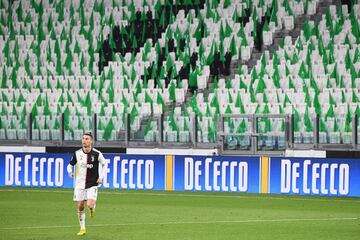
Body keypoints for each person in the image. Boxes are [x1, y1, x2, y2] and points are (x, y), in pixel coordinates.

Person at [67, 132, 107, 236]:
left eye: (87, 139)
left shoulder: (97, 154)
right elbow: (69, 165)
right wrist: (69, 172)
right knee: (80, 206)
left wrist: (101, 177)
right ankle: (82, 228)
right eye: (83, 138)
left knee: (89, 204)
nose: (84, 141)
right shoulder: (77, 153)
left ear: (91, 141)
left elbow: (105, 164)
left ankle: (92, 208)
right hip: (79, 184)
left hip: (92, 183)